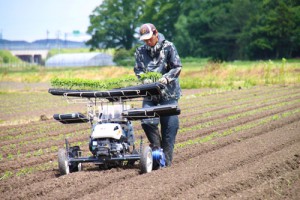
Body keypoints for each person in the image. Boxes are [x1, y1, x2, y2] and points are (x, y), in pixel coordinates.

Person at [134, 23, 182, 167]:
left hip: (169, 93)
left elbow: (177, 66)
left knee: (169, 126)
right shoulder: (140, 51)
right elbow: (138, 69)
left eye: (150, 38)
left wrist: (166, 78)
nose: (148, 42)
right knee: (147, 122)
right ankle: (156, 151)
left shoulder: (169, 47)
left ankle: (166, 162)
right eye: (145, 40)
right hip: (150, 94)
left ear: (156, 34)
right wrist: (144, 78)